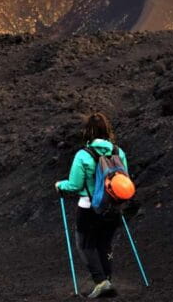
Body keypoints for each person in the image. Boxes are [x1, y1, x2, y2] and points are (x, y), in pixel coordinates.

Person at [55, 112, 129, 299]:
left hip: (88, 208)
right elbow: (124, 178)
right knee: (105, 244)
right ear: (107, 130)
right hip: (112, 207)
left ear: (87, 132)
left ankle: (101, 282)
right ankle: (108, 280)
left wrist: (59, 185)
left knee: (85, 245)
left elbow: (75, 185)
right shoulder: (118, 152)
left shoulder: (83, 155)